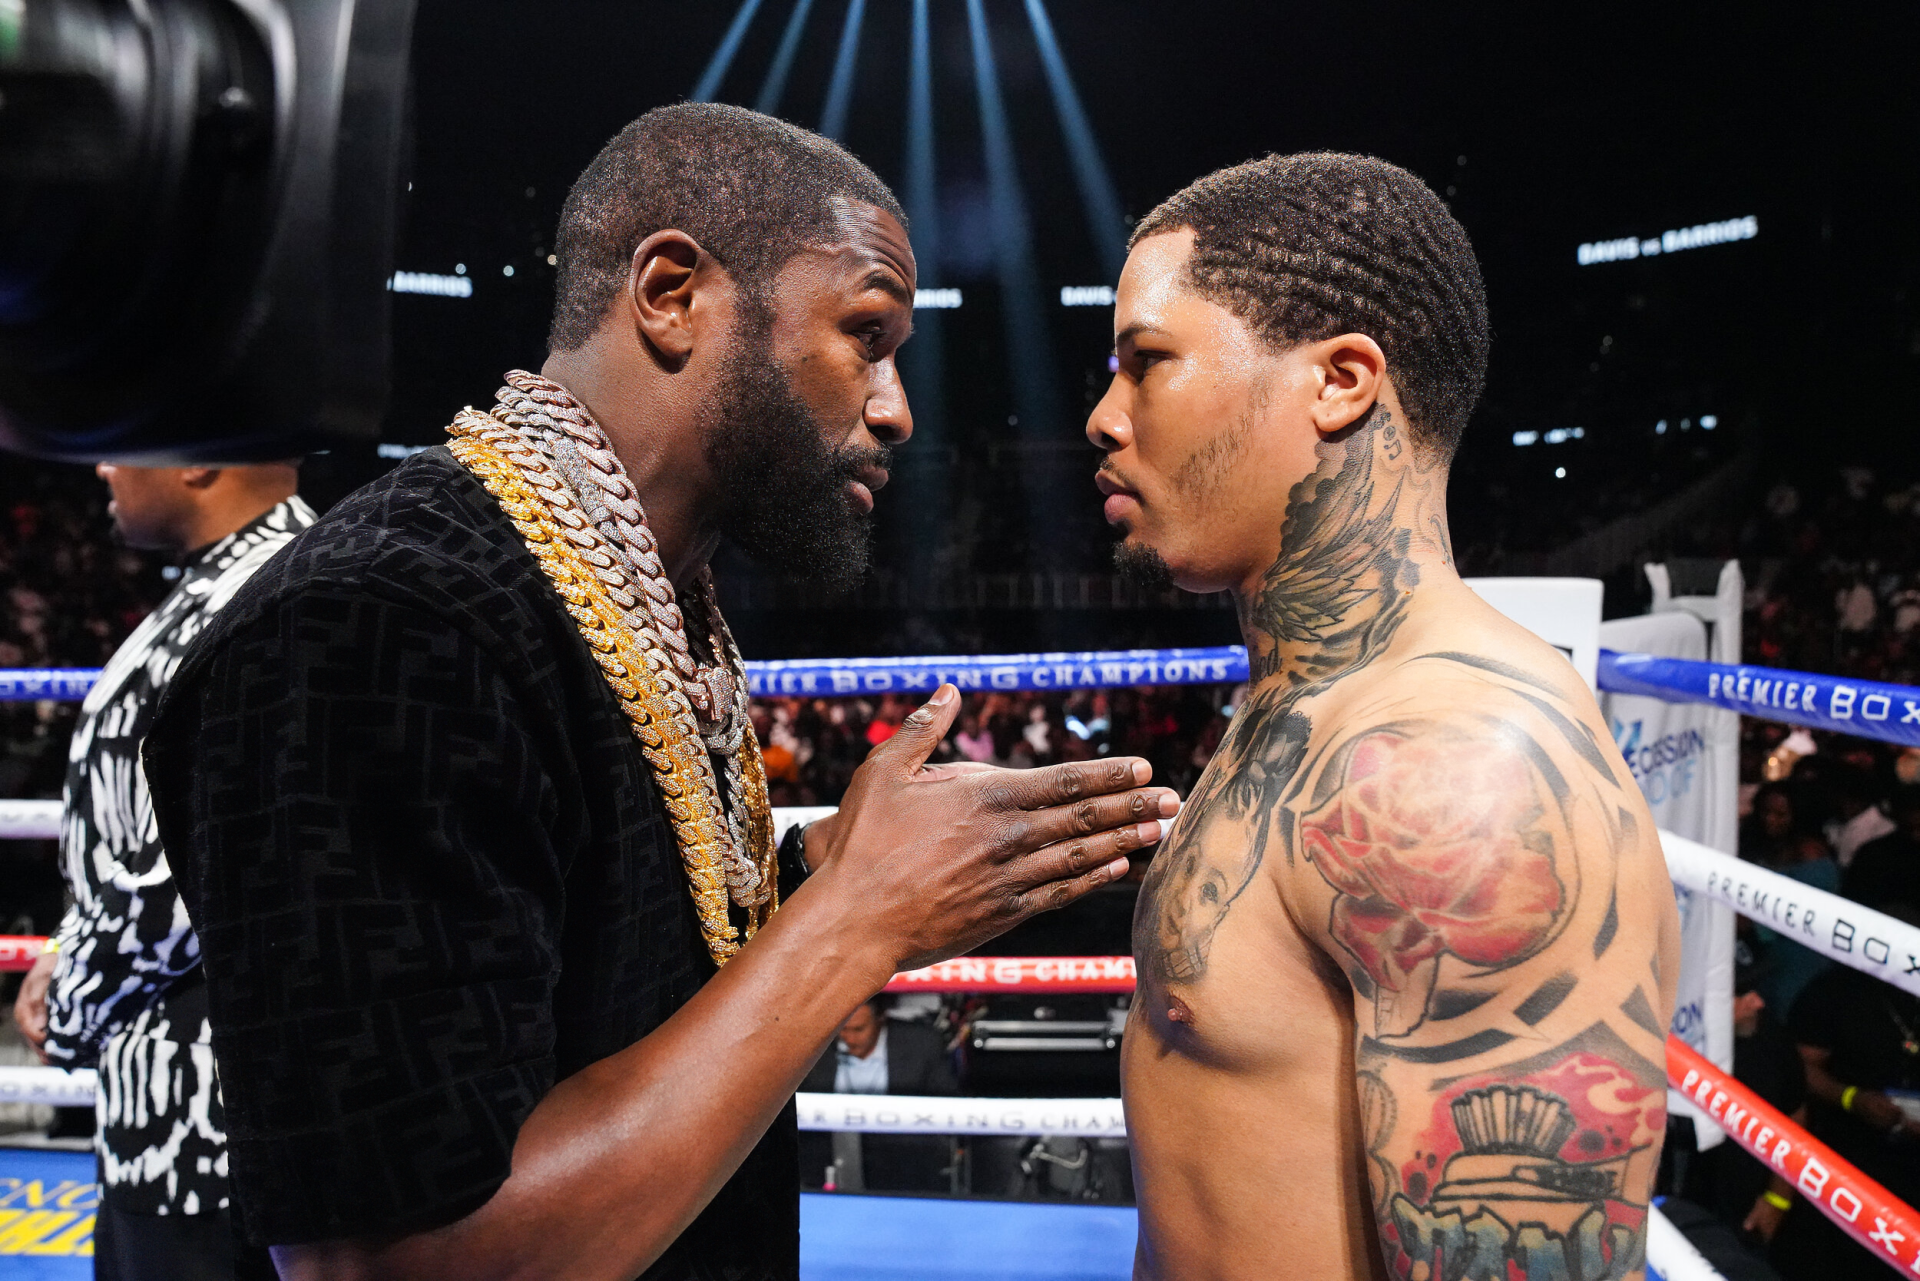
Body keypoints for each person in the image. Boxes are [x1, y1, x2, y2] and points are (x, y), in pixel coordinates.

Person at [138, 104, 1176, 1281]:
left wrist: (811, 886)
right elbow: (396, 1262)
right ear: (673, 293)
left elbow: (589, 989)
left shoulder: (649, 598)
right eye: (866, 335)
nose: (896, 409)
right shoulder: (379, 621)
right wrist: (848, 924)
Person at [1091, 153, 1680, 1279]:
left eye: (1147, 362)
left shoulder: (1458, 774)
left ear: (1340, 380)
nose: (1103, 418)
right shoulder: (1307, 704)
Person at [12, 460, 310, 1281]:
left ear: (196, 460)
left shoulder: (270, 590)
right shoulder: (237, 580)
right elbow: (139, 832)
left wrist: (73, 996)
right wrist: (69, 943)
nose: (105, 463)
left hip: (206, 1136)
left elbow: (187, 871)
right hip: (176, 1120)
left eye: (130, 437)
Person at [799, 994, 958, 1192]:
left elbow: (946, 1102)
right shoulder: (814, 1046)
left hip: (904, 1156)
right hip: (826, 1155)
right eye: (843, 1030)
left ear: (881, 1020)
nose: (849, 1038)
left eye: (858, 1029)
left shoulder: (922, 1044)